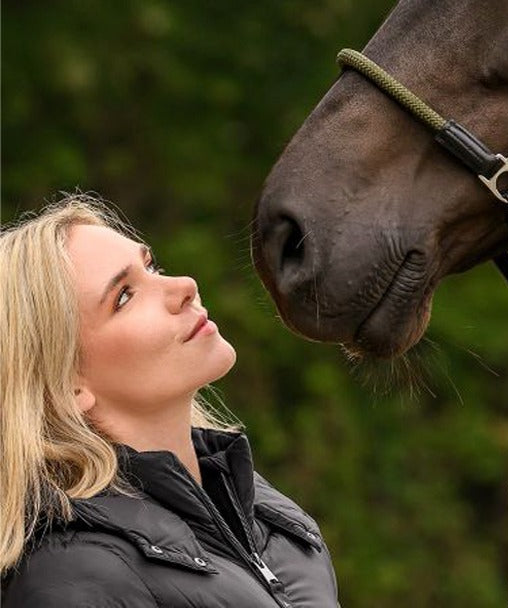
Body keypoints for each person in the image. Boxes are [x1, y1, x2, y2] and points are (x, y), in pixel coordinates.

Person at [0, 193, 340, 607]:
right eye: (124, 296)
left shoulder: (273, 517)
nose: (183, 286)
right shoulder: (72, 578)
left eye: (151, 266)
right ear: (68, 386)